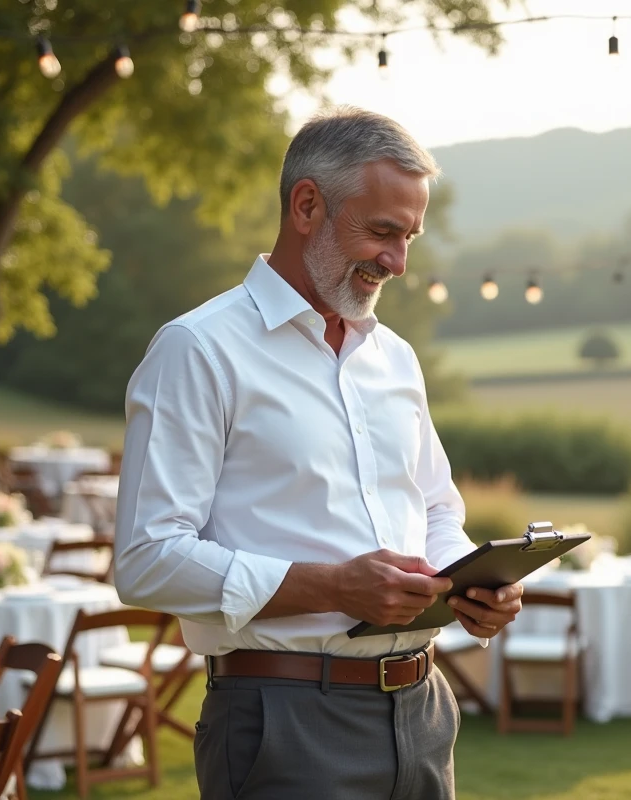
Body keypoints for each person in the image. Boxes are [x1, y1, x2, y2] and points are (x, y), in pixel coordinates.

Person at [114, 106, 524, 800]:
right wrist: (335, 586)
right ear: (307, 205)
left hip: (423, 714)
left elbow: (433, 508)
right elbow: (146, 560)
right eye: (383, 232)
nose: (397, 262)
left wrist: (471, 584)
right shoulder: (199, 349)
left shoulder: (394, 358)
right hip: (282, 723)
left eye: (410, 238)